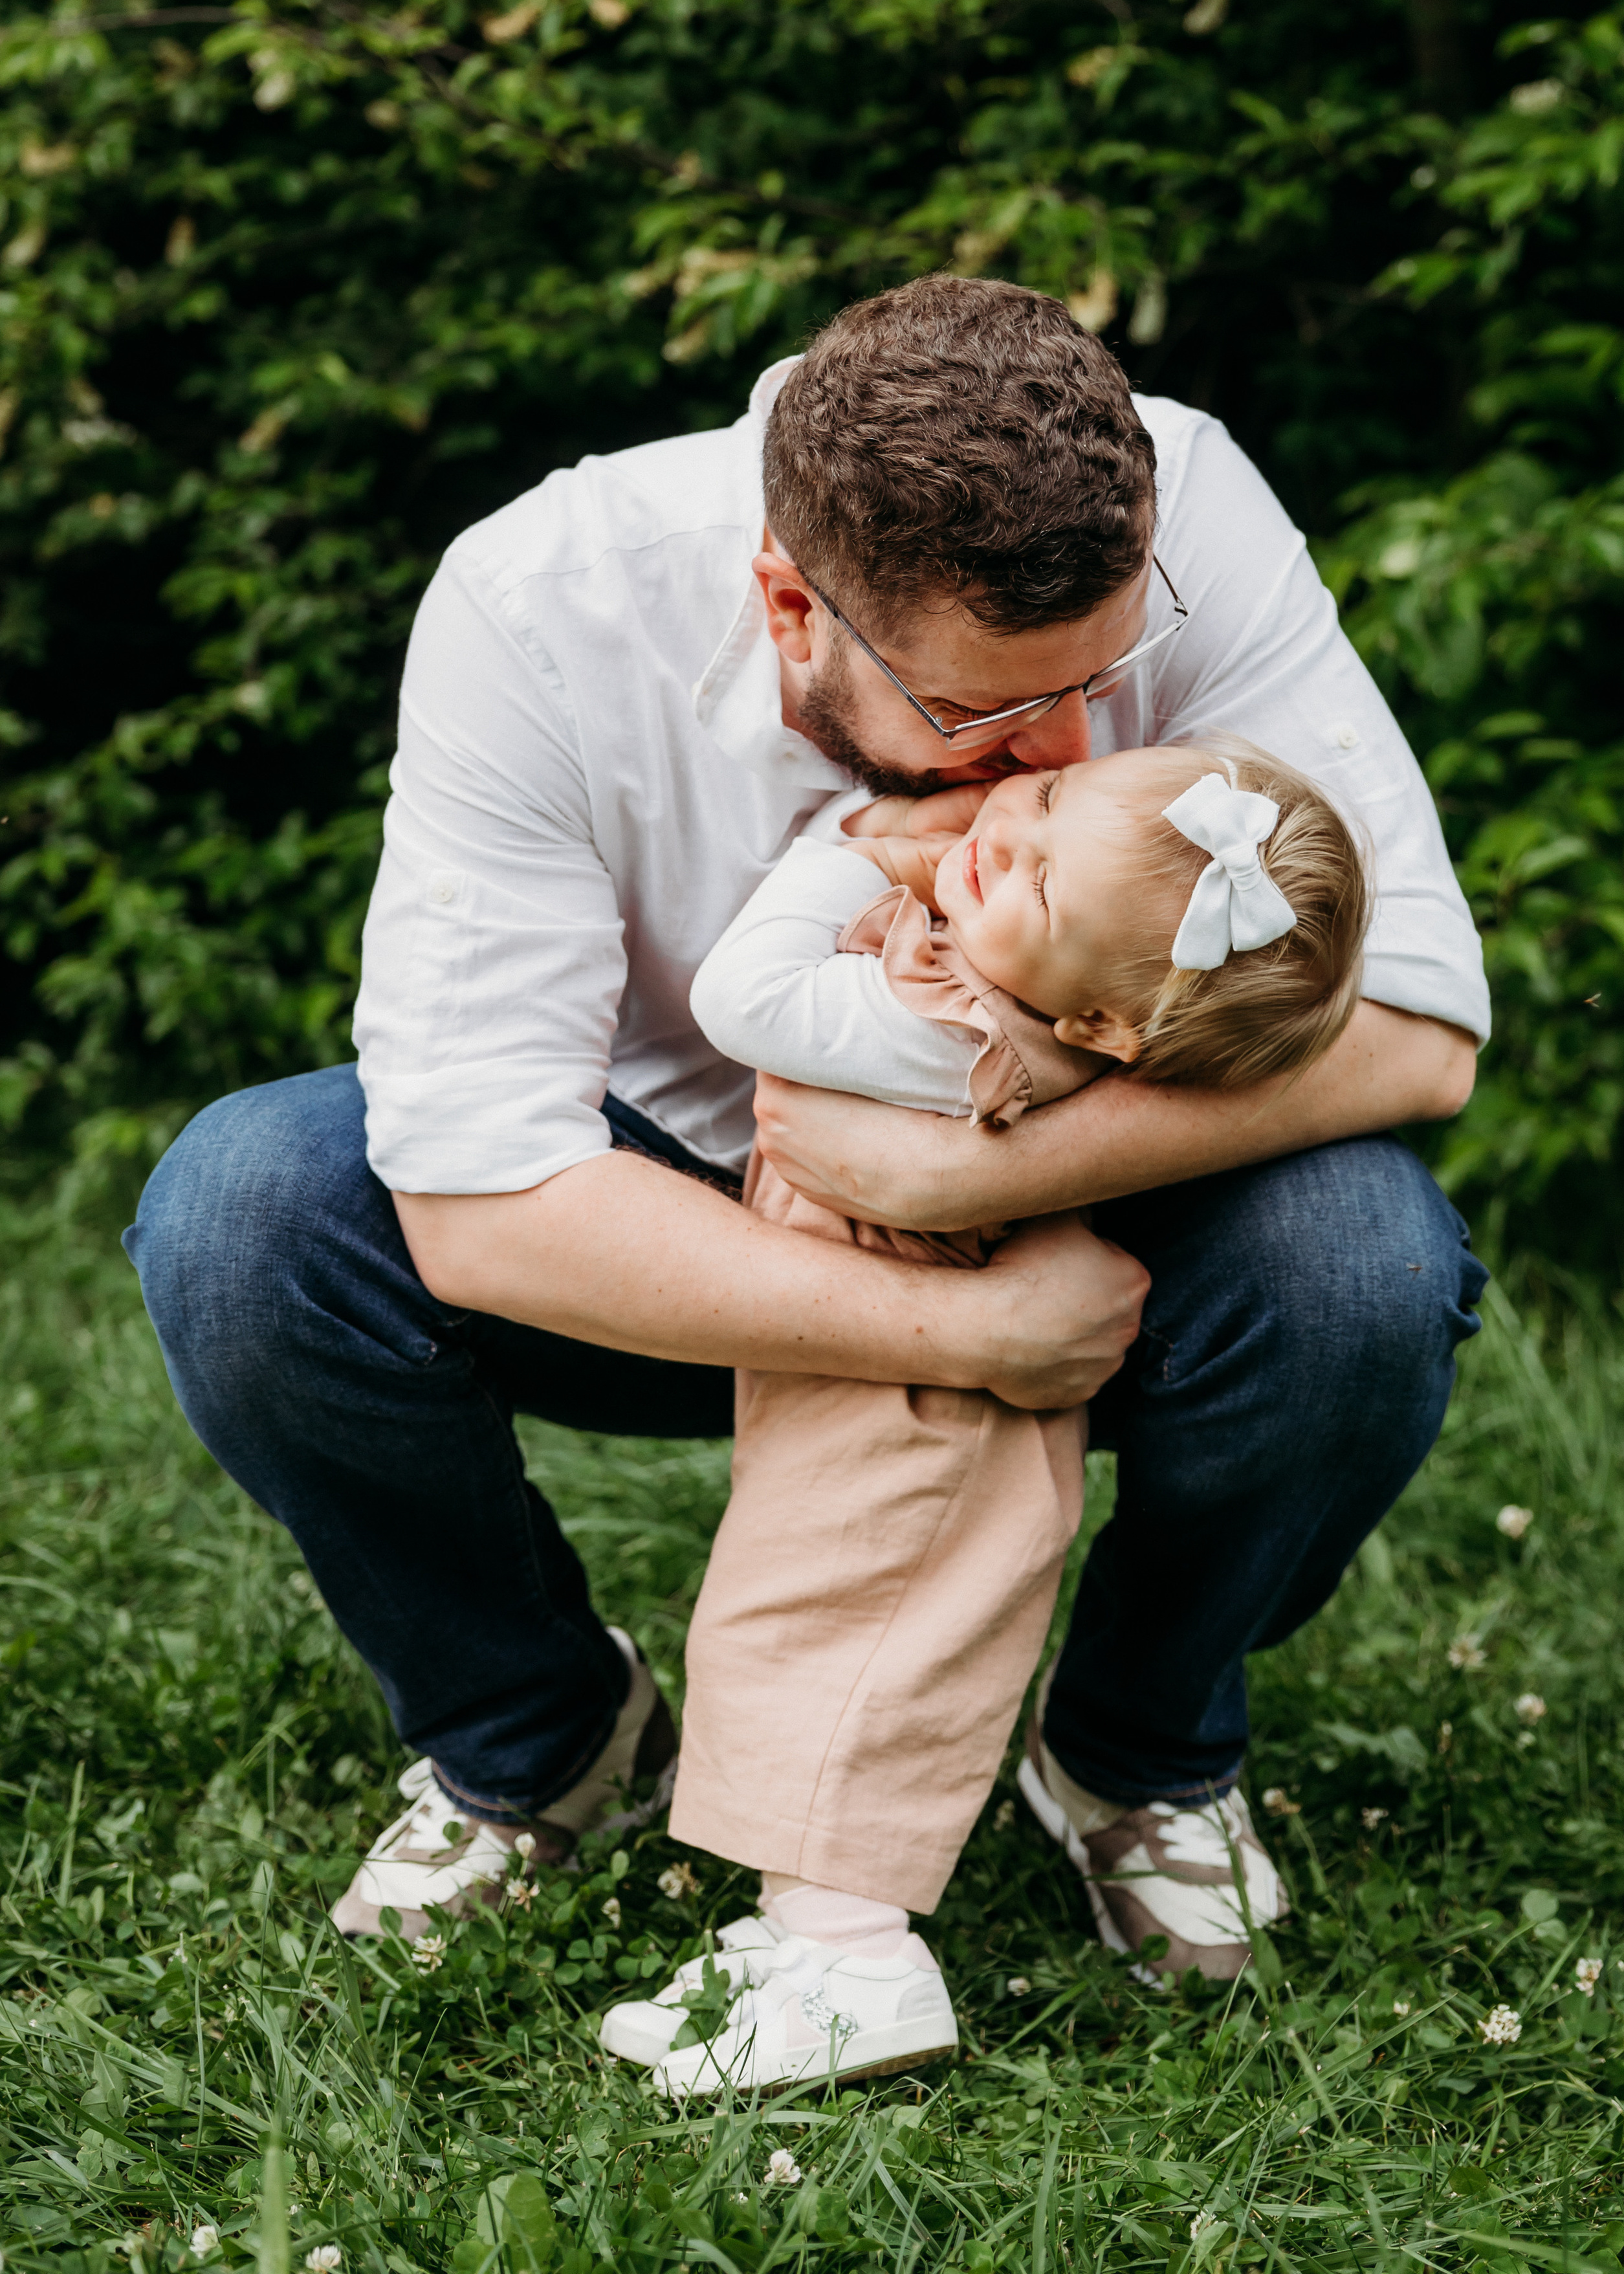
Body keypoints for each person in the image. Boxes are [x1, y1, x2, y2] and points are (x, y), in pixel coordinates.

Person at [124, 276, 1488, 1991]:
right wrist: (967, 1329)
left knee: (1362, 1256)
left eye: (1102, 687)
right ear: (791, 603)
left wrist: (978, 1179)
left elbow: (1422, 1027)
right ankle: (541, 1738)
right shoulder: (537, 604)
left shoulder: (1182, 497)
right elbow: (483, 1203)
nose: (1059, 753)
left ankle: (1136, 1756)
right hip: (673, 1210)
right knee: (243, 1217)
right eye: (986, 718)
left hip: (1078, 1217)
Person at [598, 738, 1370, 2097]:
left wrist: (847, 850)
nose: (1001, 838)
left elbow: (740, 996)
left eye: (1041, 888)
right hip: (878, 1372)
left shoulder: (954, 1030)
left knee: (842, 1640)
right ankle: (798, 1944)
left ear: (1094, 1031)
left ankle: (853, 1963)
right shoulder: (994, 974)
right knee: (803, 1625)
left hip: (910, 1408)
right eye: (1047, 805)